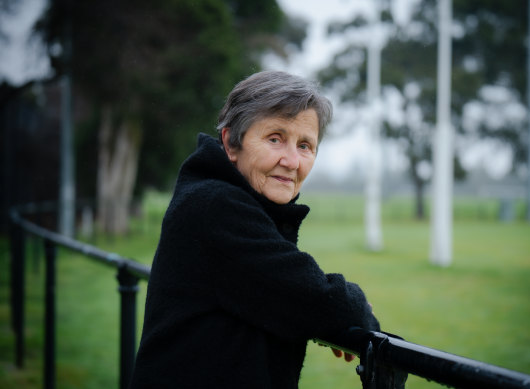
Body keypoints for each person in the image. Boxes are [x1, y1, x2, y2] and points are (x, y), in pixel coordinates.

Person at [129, 70, 379, 389]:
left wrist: (341, 319)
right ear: (231, 143)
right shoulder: (215, 206)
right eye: (275, 139)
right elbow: (319, 301)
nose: (291, 161)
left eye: (305, 145)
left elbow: (294, 299)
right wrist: (355, 309)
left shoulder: (225, 199)